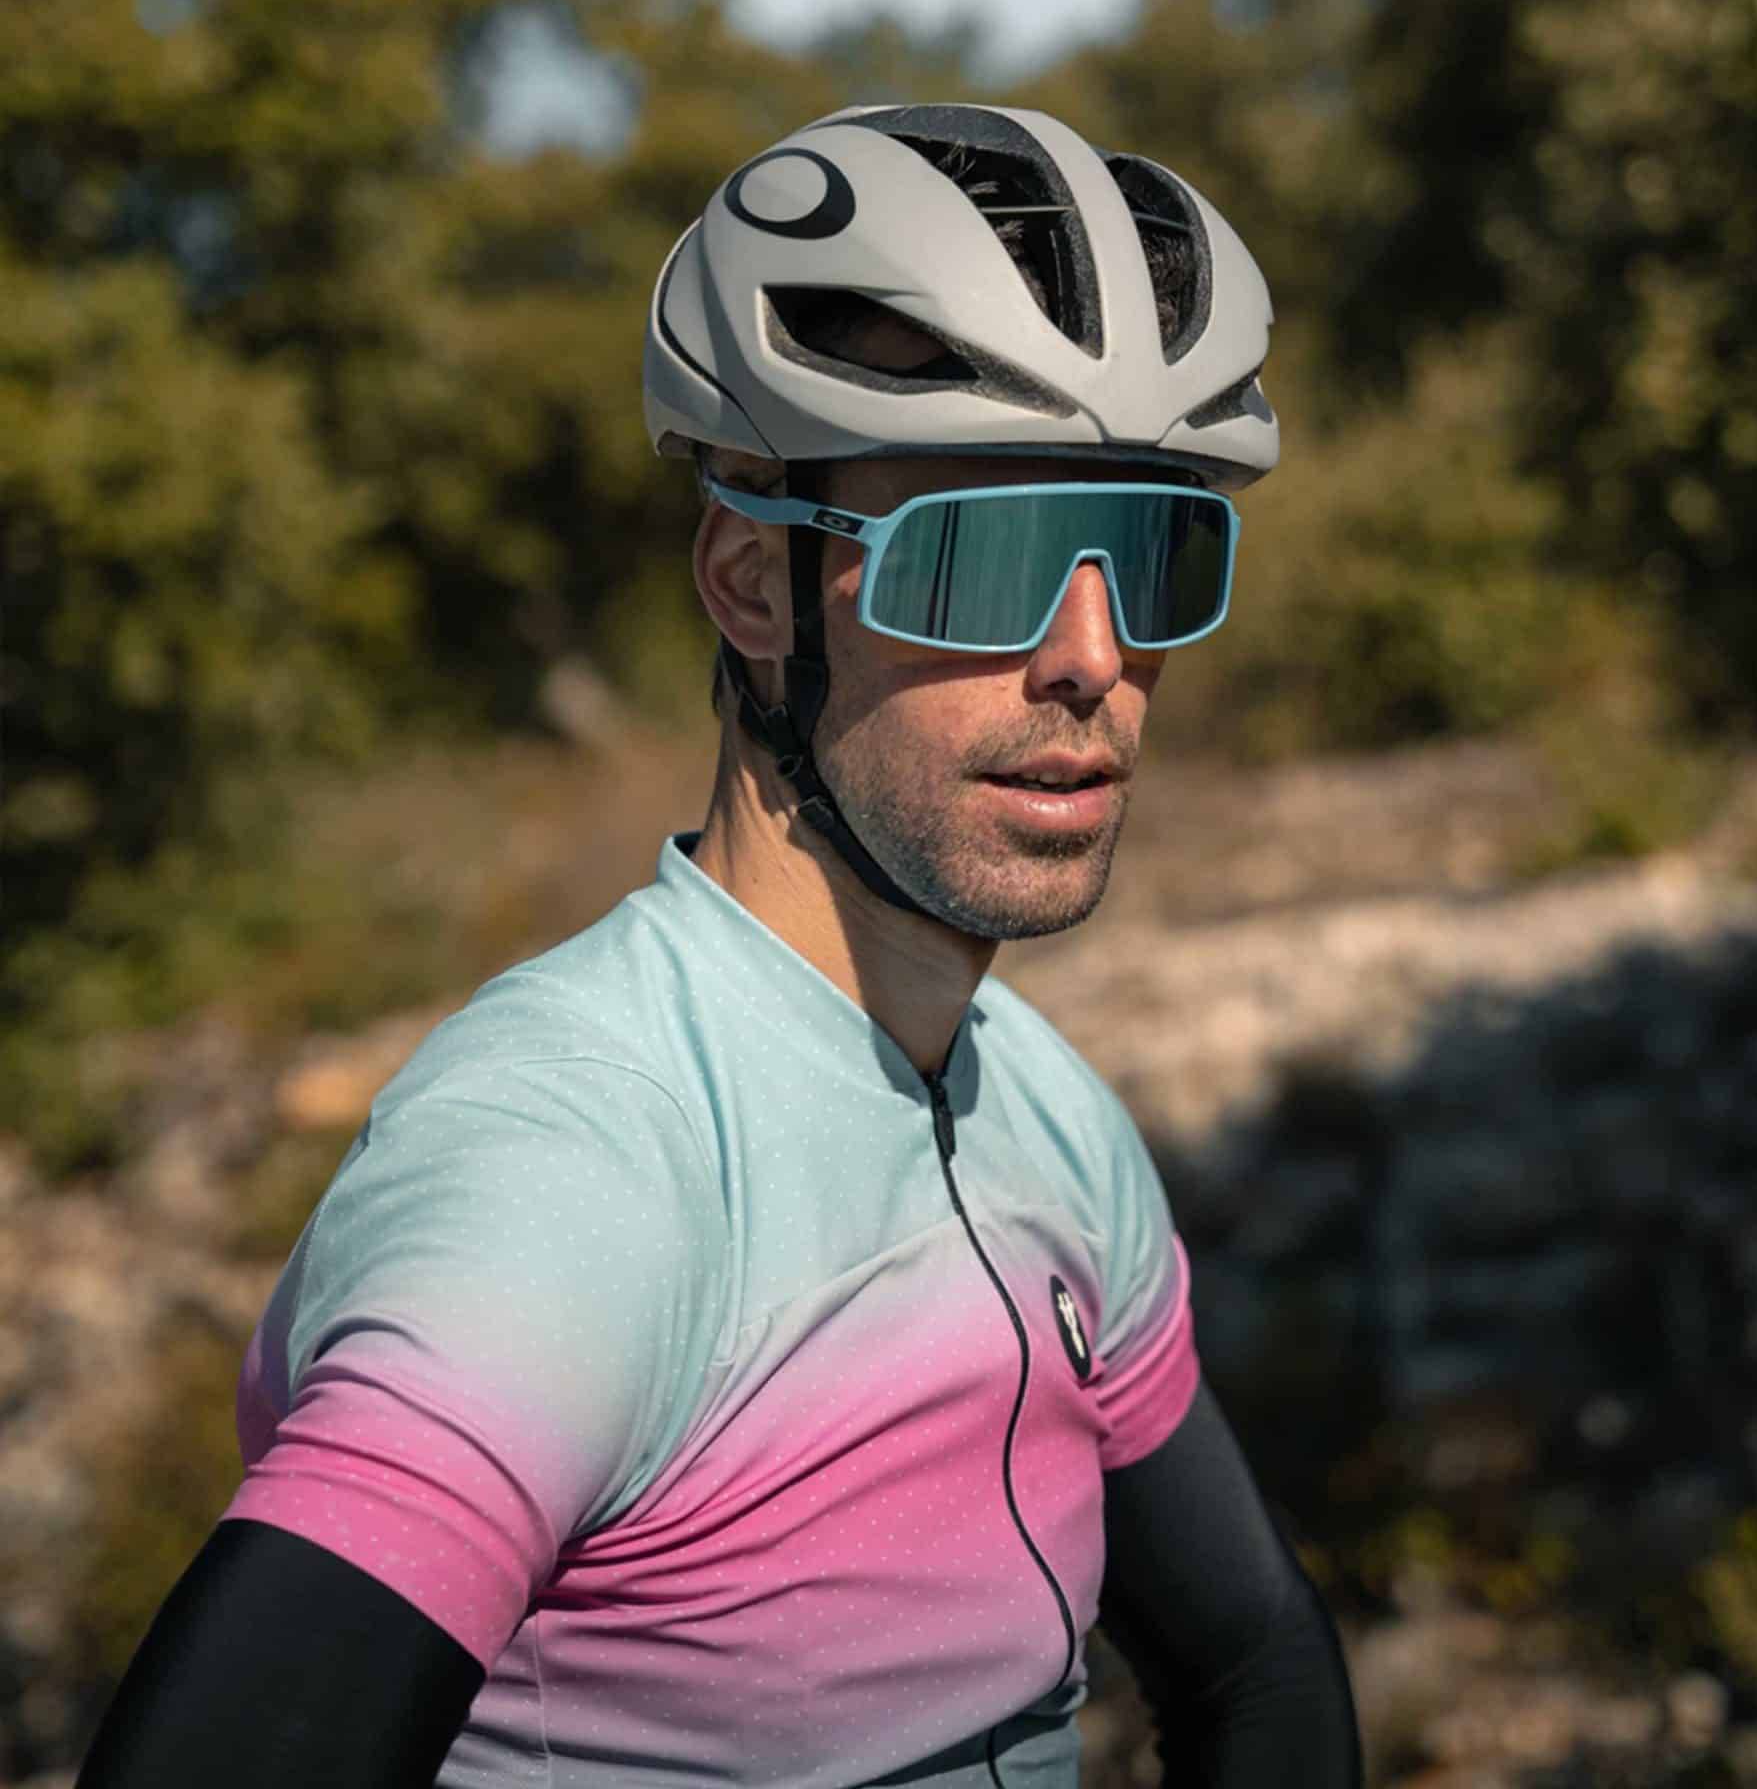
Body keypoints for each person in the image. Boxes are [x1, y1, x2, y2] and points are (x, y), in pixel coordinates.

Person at [76, 104, 1362, 1788]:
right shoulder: (576, 1172)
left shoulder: (1046, 1117)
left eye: (1159, 554)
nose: (1092, 658)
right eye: (988, 555)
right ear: (752, 585)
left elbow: (1259, 1663)